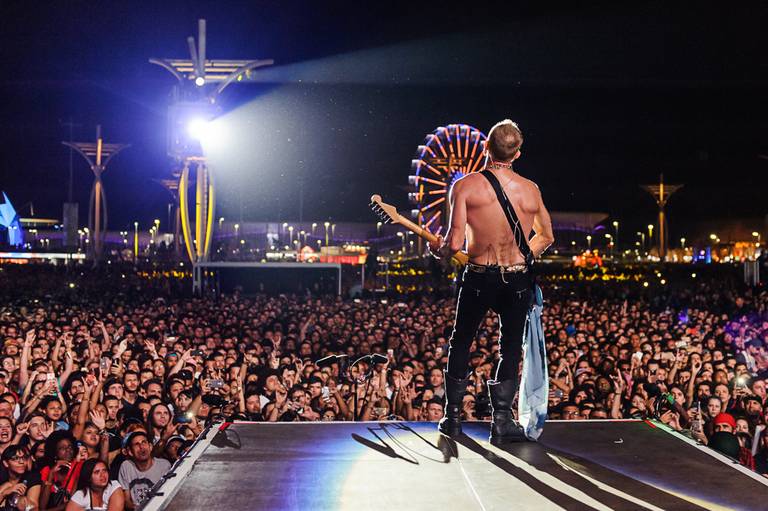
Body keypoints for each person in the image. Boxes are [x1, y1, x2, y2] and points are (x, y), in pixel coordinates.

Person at [429, 119, 554, 443]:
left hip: (479, 275)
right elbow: (546, 236)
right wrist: (523, 255)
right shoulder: (531, 190)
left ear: (486, 147)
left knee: (462, 341)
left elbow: (455, 244)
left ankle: (452, 417)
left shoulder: (466, 186)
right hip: (516, 279)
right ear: (518, 153)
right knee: (510, 347)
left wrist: (438, 250)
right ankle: (501, 421)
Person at [117, 431, 170, 508]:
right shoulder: (126, 466)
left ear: (150, 447)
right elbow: (126, 500)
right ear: (130, 452)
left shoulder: (164, 466)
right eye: (136, 444)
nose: (141, 447)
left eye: (144, 442)